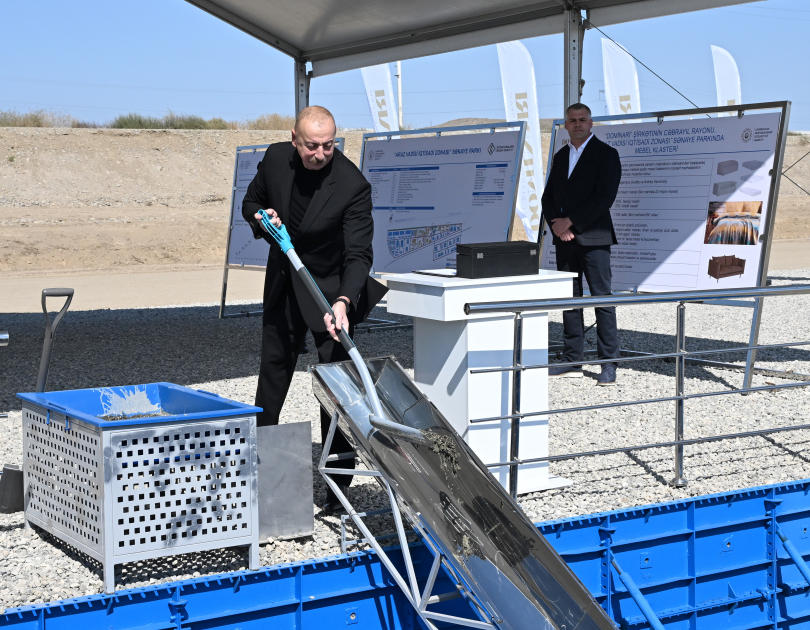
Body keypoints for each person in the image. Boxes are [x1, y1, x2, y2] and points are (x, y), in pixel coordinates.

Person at [241, 105, 386, 513]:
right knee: (272, 375)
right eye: (311, 146)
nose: (320, 154)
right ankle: (254, 476)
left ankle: (339, 488)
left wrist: (343, 301)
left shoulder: (352, 185)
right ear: (294, 138)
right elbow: (249, 203)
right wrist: (261, 217)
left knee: (335, 387)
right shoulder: (274, 159)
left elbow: (359, 255)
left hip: (330, 293)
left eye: (328, 145)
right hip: (285, 284)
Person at [540, 103, 622, 385]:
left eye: (582, 120)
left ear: (591, 124)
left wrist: (570, 222)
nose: (577, 124)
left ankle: (608, 363)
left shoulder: (606, 154)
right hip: (564, 240)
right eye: (572, 120)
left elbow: (604, 198)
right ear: (565, 125)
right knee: (570, 300)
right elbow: (547, 197)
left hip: (594, 237)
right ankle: (572, 359)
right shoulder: (561, 156)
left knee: (602, 300)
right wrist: (556, 224)